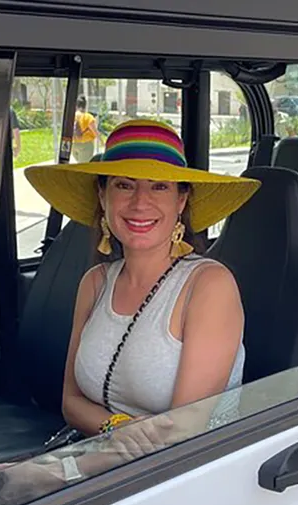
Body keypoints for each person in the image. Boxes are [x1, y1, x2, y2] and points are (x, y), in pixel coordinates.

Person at [24, 118, 261, 451]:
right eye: (124, 185)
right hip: (102, 456)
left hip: (183, 473)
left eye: (159, 186)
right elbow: (71, 403)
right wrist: (116, 427)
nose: (139, 202)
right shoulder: (94, 283)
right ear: (103, 195)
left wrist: (56, 474)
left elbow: (182, 432)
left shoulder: (208, 286)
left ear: (181, 200)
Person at [72, 95, 98, 163]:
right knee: (84, 166)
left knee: (79, 163)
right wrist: (101, 141)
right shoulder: (88, 117)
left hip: (74, 144)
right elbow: (94, 131)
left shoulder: (72, 116)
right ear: (85, 106)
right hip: (86, 145)